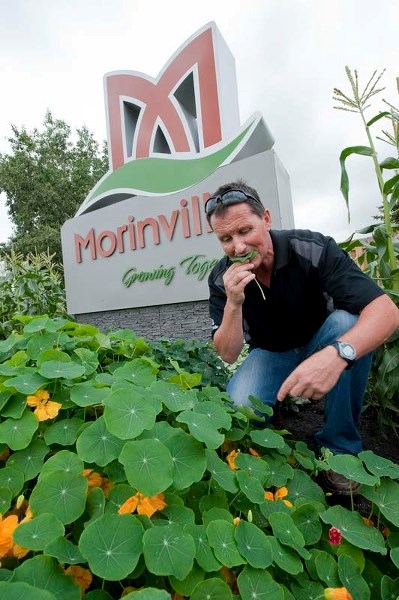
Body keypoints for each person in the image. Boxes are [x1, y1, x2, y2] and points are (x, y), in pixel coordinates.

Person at [206, 179, 399, 494]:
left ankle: (339, 451)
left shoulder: (313, 248)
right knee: (241, 406)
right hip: (271, 352)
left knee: (348, 323)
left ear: (266, 219)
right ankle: (274, 413)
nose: (238, 248)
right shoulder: (220, 279)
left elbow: (387, 312)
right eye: (226, 238)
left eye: (245, 231)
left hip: (324, 340)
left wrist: (337, 354)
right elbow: (228, 353)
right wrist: (233, 303)